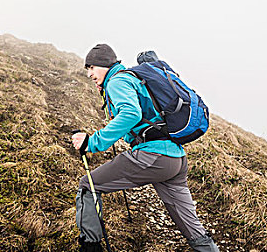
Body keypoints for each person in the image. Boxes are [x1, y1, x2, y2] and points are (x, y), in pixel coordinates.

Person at [72, 44, 219, 252]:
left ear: (104, 64)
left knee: (88, 185)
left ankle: (90, 248)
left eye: (91, 67)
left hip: (153, 156)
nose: (89, 74)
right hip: (175, 159)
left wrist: (92, 142)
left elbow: (130, 114)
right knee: (191, 225)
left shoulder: (117, 81)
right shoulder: (131, 79)